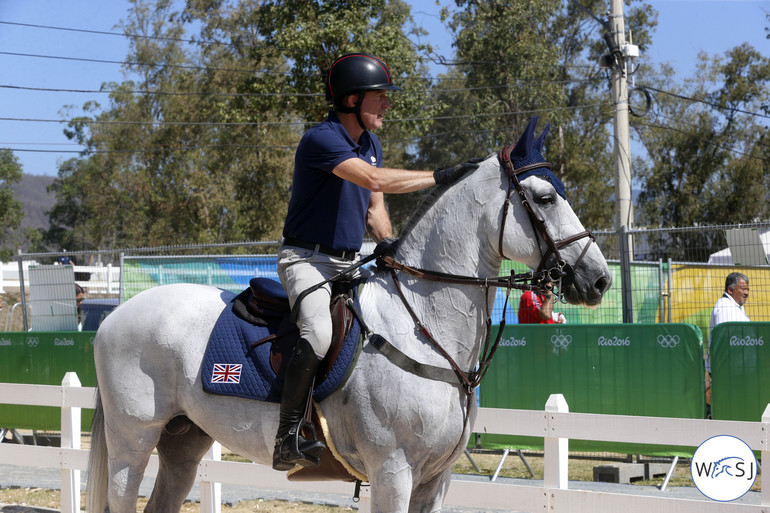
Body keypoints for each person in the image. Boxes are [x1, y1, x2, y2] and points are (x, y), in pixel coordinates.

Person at [273, 53, 479, 471]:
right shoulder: (323, 139)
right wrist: (440, 177)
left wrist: (387, 244)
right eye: (379, 96)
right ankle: (288, 434)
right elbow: (374, 180)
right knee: (316, 331)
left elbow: (374, 207)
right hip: (306, 259)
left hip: (351, 260)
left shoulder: (370, 143)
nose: (387, 103)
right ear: (351, 99)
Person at [705, 272, 750, 417]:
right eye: (743, 289)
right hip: (728, 372)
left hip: (736, 371)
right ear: (730, 290)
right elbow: (728, 342)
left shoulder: (735, 307)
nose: (746, 293)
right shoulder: (724, 308)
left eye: (747, 289)